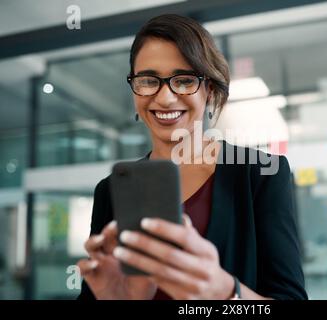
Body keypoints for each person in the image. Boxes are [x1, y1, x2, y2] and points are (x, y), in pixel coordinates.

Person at [76, 14, 307, 300]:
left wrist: (225, 291)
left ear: (209, 90)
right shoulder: (111, 190)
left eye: (184, 80)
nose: (165, 98)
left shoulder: (261, 173)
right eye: (148, 80)